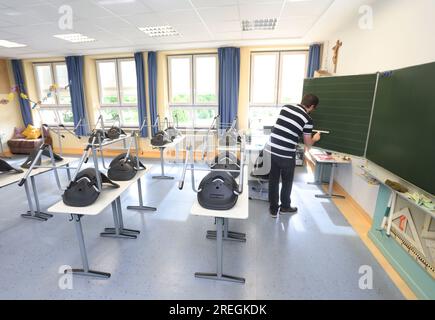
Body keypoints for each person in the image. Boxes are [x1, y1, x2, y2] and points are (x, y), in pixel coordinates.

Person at [265, 94, 321, 218]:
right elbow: (308, 144)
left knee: (273, 180)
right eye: (313, 109)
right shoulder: (308, 120)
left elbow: (286, 127)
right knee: (287, 181)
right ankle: (285, 207)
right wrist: (315, 138)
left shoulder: (285, 108)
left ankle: (273, 209)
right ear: (311, 106)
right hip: (286, 154)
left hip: (272, 149)